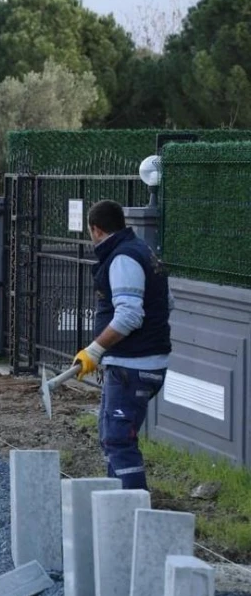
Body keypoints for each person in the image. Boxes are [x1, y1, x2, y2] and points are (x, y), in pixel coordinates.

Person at [73, 199, 173, 491]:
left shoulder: (123, 258)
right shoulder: (144, 251)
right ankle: (114, 509)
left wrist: (94, 350)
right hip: (137, 363)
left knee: (119, 440)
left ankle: (129, 519)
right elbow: (167, 302)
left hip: (133, 366)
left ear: (96, 229)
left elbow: (130, 315)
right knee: (111, 437)